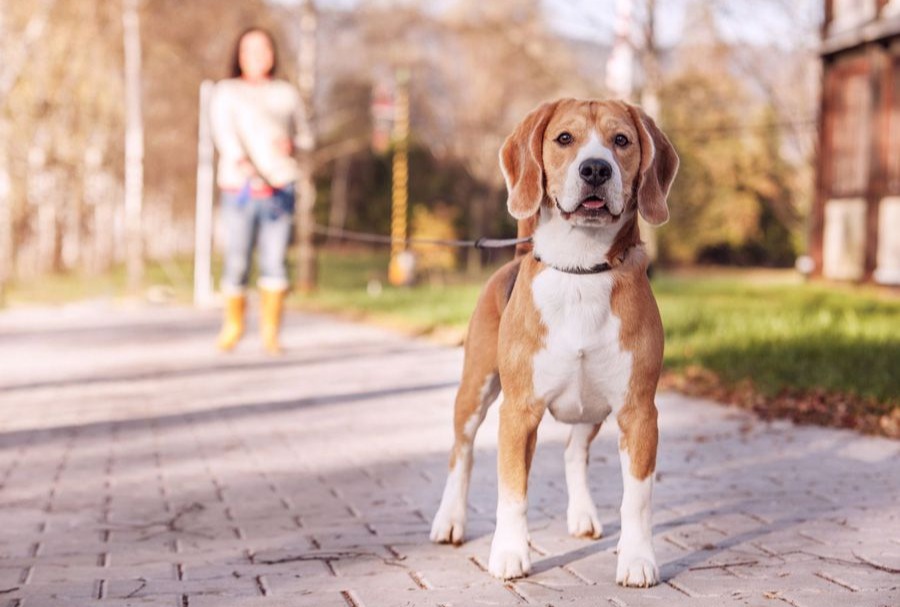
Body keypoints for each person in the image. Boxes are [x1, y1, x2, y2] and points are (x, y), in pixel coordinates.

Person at [210, 27, 309, 354]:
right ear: (239, 55)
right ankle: (233, 327)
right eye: (249, 49)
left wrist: (292, 143)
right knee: (236, 260)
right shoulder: (226, 91)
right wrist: (244, 165)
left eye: (263, 48)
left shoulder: (286, 93)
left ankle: (271, 333)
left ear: (273, 53)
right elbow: (224, 134)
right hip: (240, 188)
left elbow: (308, 136)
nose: (257, 56)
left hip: (281, 187)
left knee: (275, 261)